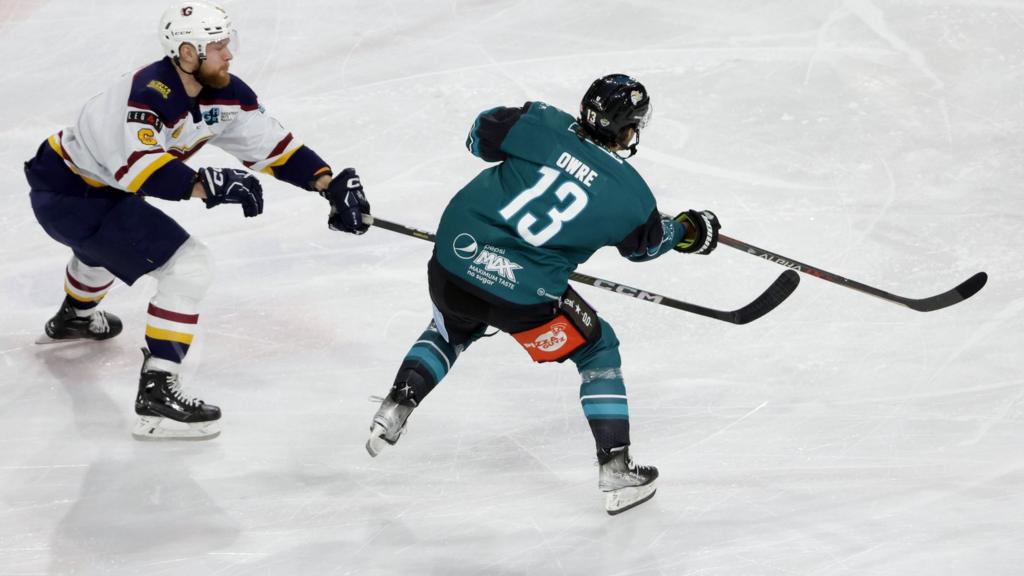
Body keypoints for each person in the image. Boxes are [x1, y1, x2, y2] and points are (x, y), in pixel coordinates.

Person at [364, 74, 721, 515]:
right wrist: (689, 229)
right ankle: (616, 469)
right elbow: (645, 246)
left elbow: (479, 137)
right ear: (626, 128)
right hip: (523, 298)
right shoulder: (632, 196)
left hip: (454, 261)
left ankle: (397, 404)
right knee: (597, 349)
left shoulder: (542, 122)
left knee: (451, 327)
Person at [25, 1, 370, 440]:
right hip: (74, 194)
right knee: (188, 267)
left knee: (104, 248)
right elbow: (136, 168)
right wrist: (207, 185)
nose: (229, 55)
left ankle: (75, 315)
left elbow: (270, 145)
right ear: (187, 53)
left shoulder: (222, 90)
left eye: (229, 43)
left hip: (89, 191)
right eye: (218, 46)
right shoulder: (146, 95)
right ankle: (158, 393)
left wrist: (327, 182)